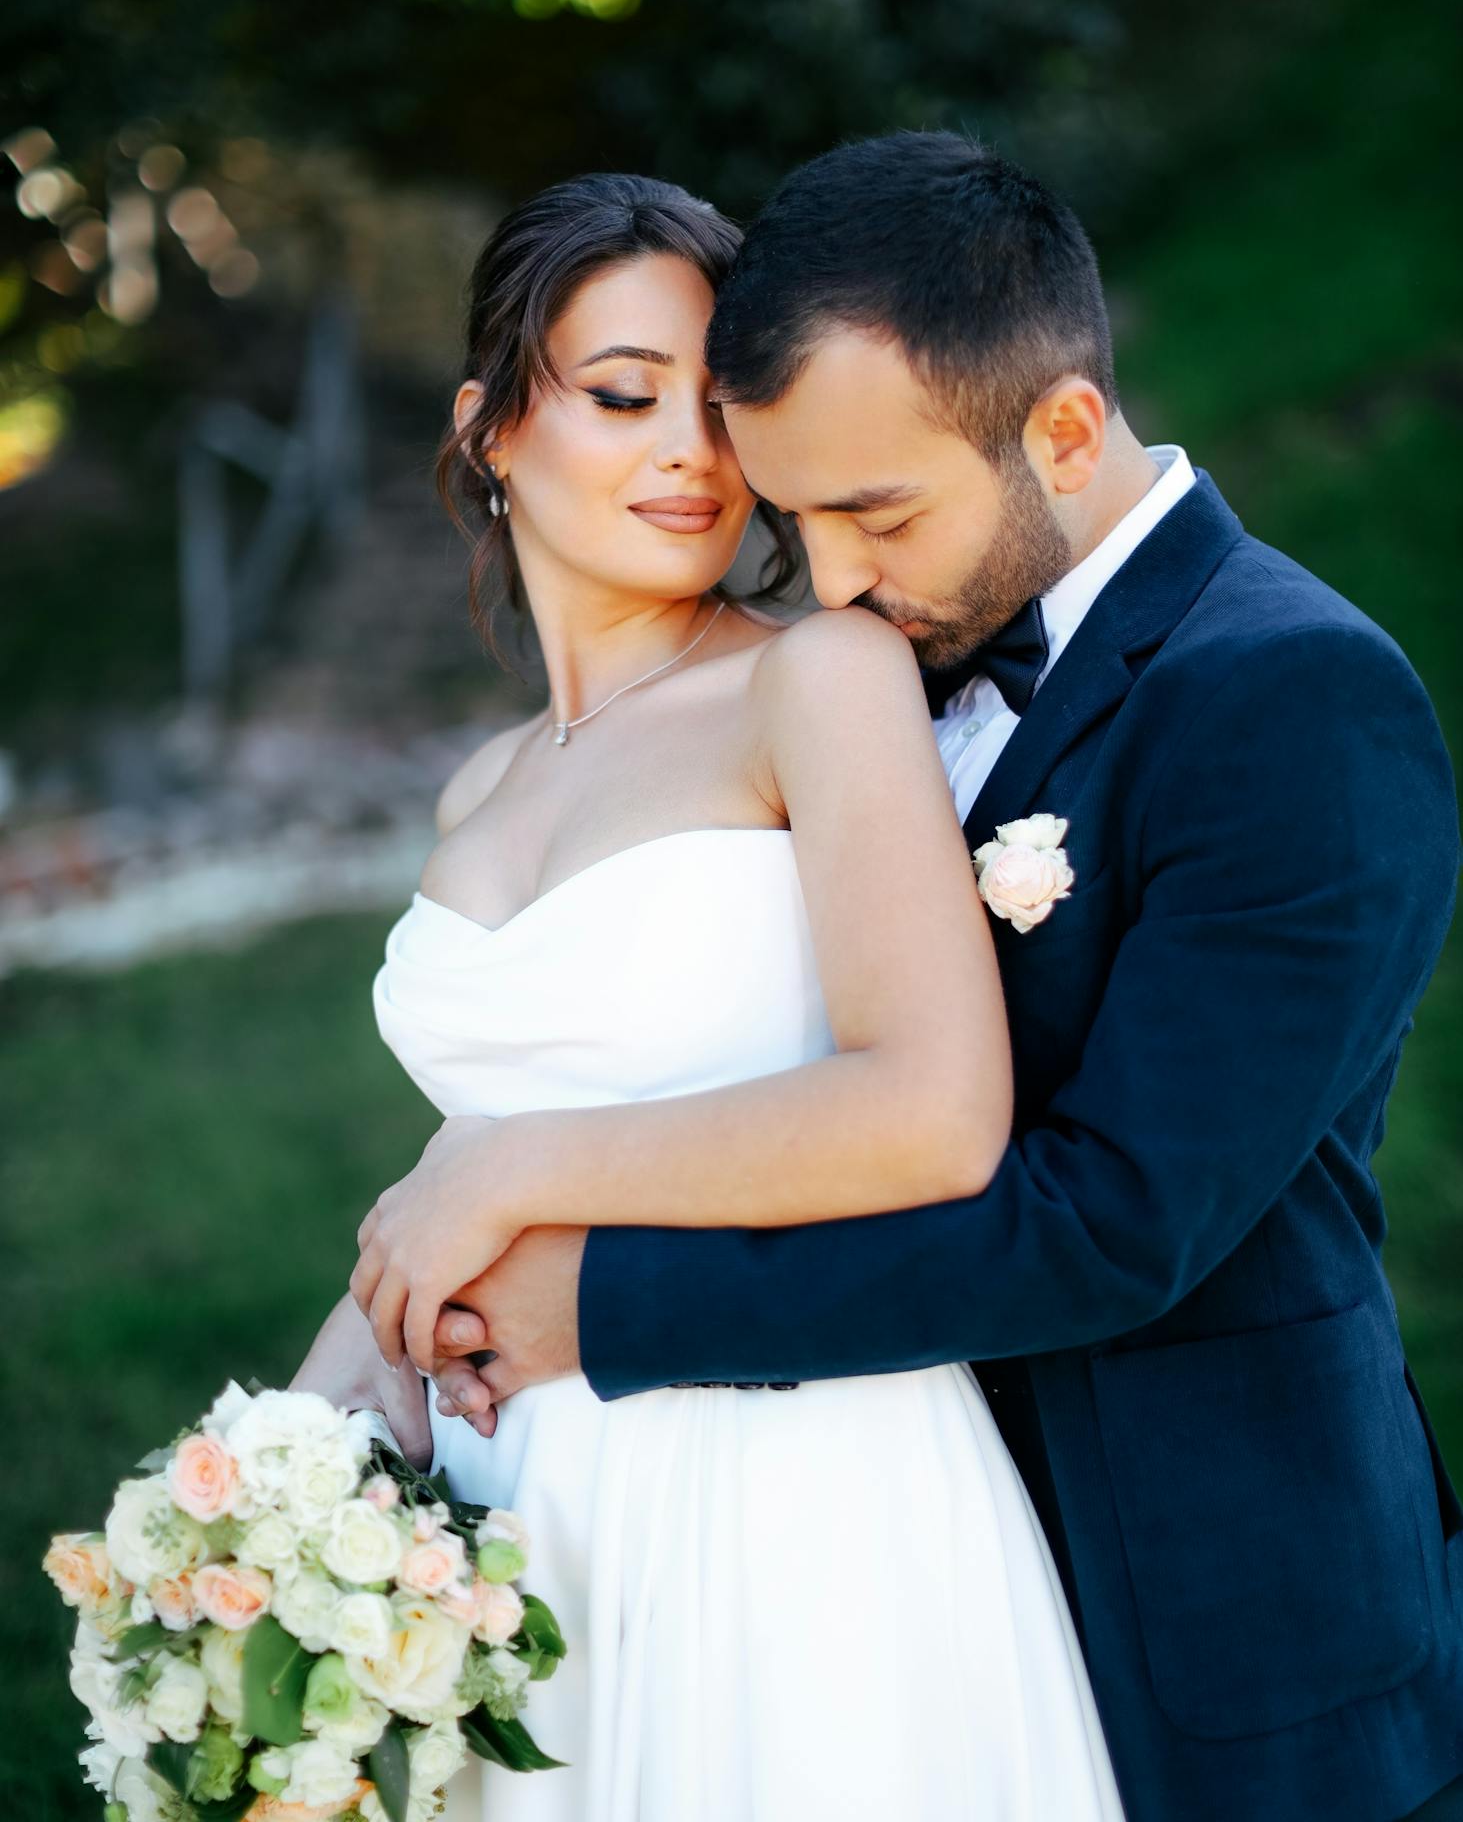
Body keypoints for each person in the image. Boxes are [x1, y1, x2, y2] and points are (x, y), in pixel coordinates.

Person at [411, 134, 1463, 1822]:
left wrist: (603, 1310)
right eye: (801, 514)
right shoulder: (897, 668)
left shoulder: (1296, 699)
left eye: (874, 514)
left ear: (1060, 428)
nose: (827, 578)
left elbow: (1114, 1218)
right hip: (872, 1573)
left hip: (1218, 1623)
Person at [294, 170, 1127, 1820]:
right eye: (622, 396)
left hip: (791, 1494)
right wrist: (283, 1467)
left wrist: (512, 1169)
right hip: (516, 1496)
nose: (689, 451)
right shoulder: (480, 790)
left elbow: (933, 1109)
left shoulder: (816, 680)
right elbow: (450, 1196)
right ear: (489, 430)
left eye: (716, 408)